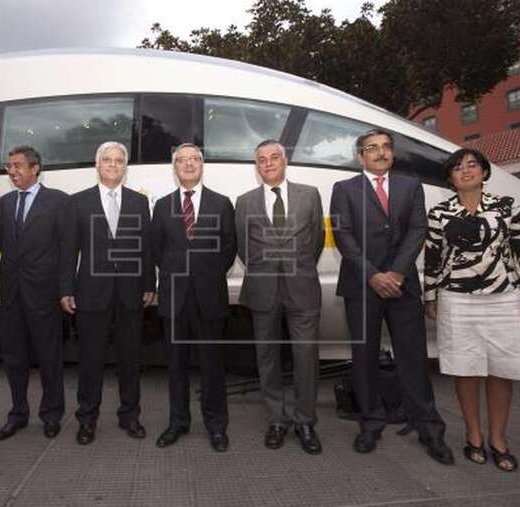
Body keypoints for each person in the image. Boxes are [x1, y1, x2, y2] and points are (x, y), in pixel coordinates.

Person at [330, 128, 453, 464]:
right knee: (365, 356)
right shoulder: (343, 190)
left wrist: (396, 273)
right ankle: (370, 423)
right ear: (360, 157)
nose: (381, 152)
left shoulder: (410, 187)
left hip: (403, 285)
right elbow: (343, 235)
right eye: (372, 148)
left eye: (386, 147)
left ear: (393, 154)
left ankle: (428, 426)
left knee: (413, 357)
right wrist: (373, 275)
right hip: (361, 285)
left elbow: (417, 230)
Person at [424, 148, 520, 472]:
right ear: (450, 177)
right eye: (458, 167)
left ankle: (498, 438)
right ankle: (474, 435)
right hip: (456, 299)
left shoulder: (507, 207)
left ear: (485, 172)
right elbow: (433, 258)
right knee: (466, 368)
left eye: (472, 165)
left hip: (502, 297)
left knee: (502, 368)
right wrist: (430, 297)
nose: (466, 171)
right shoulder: (440, 212)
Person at [60, 141, 155, 445]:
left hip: (130, 294)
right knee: (90, 360)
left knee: (131, 359)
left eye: (119, 161)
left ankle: (130, 417)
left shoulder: (140, 203)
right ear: (97, 165)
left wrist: (149, 284)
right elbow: (67, 250)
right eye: (107, 160)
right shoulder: (77, 202)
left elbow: (146, 249)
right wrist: (66, 289)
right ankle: (87, 420)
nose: (113, 165)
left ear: (125, 167)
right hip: (90, 293)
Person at [235, 139, 325, 455]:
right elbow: (243, 248)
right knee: (267, 358)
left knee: (305, 357)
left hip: (302, 287)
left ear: (285, 161)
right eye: (262, 159)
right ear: (256, 166)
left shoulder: (309, 195)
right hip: (263, 289)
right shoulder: (244, 202)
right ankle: (276, 420)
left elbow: (316, 241)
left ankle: (305, 421)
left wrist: (294, 267)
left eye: (274, 157)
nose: (268, 163)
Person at [150, 143, 236, 452]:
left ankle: (216, 426)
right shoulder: (161, 206)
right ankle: (177, 422)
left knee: (212, 365)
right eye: (182, 160)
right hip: (174, 297)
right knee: (175, 366)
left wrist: (205, 273)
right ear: (174, 168)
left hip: (209, 297)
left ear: (202, 165)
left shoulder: (222, 203)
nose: (188, 164)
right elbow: (156, 250)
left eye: (194, 159)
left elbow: (229, 248)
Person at [0, 146, 68, 441]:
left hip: (45, 294)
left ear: (35, 168)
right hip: (12, 294)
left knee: (50, 358)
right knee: (14, 358)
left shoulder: (59, 202)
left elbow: (66, 250)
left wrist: (65, 290)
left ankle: (52, 414)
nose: (12, 172)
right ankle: (18, 414)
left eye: (17, 166)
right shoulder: (3, 203)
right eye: (9, 167)